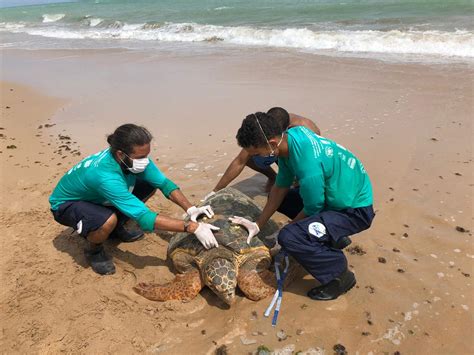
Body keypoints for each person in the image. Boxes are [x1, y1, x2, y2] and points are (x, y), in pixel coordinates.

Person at [229, 112, 374, 301]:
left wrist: (290, 229)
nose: (256, 159)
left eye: (257, 154)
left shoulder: (308, 163)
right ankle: (332, 236)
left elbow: (314, 206)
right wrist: (258, 224)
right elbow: (280, 187)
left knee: (290, 237)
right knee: (285, 198)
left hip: (354, 210)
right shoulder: (291, 139)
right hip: (336, 196)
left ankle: (339, 275)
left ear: (272, 144)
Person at [49, 124, 220, 275]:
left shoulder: (133, 159)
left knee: (148, 184)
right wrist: (191, 227)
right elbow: (144, 217)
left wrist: (191, 209)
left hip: (98, 196)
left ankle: (117, 228)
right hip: (67, 204)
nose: (145, 161)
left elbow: (164, 184)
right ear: (120, 154)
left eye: (147, 155)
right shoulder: (104, 176)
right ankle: (94, 250)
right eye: (140, 157)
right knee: (107, 222)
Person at [203, 107, 320, 200]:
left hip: (300, 156)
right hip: (277, 150)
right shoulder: (263, 128)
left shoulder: (306, 128)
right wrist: (216, 191)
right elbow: (239, 161)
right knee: (249, 155)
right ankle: (273, 177)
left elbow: (316, 160)